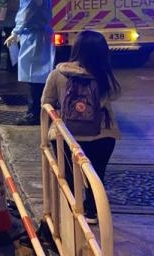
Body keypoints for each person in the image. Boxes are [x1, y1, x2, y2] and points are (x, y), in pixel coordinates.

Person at [41, 30, 121, 224]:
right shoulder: (103, 74)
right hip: (103, 136)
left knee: (68, 176)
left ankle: (72, 214)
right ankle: (93, 212)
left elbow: (46, 102)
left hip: (68, 136)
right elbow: (114, 95)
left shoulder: (58, 73)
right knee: (96, 175)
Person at [5, 0, 54, 125]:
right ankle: (36, 110)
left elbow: (26, 13)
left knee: (34, 77)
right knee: (36, 76)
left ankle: (34, 114)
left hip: (34, 38)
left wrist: (15, 32)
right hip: (37, 36)